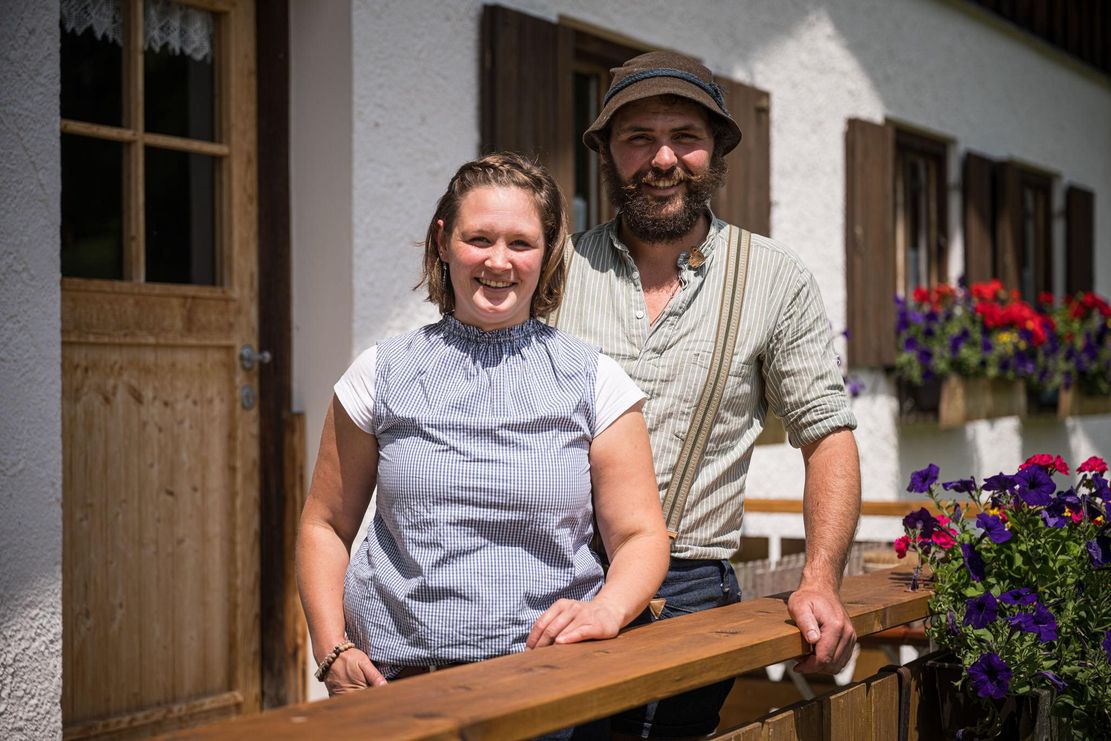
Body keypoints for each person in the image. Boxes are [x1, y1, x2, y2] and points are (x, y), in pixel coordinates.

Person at [551, 51, 862, 737]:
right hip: (551, 574)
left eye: (684, 138)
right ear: (605, 151)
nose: (662, 159)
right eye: (638, 138)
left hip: (689, 592)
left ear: (715, 151)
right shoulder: (554, 271)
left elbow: (826, 434)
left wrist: (818, 579)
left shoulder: (773, 278)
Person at [295, 154, 670, 709]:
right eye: (479, 239)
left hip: (552, 682)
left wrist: (607, 609)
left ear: (547, 253)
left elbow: (640, 535)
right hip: (399, 684)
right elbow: (325, 525)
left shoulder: (595, 381)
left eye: (521, 243)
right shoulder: (381, 372)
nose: (499, 261)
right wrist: (330, 649)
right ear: (444, 242)